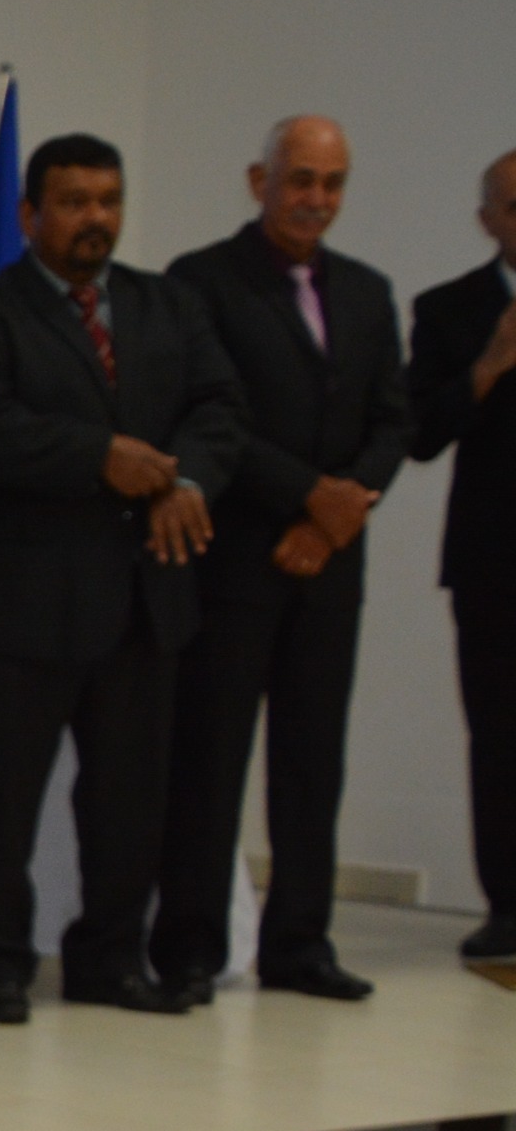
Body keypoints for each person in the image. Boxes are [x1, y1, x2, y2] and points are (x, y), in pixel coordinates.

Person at [0, 132, 244, 1023]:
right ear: (30, 214)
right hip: (19, 608)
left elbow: (222, 409)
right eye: (73, 202)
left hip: (144, 601)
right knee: (1, 806)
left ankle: (109, 957)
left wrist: (186, 481)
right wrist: (100, 455)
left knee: (129, 805)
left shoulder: (168, 305)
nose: (95, 218)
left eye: (108, 200)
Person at [156, 116, 411, 1002]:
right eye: (301, 179)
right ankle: (189, 946)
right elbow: (207, 416)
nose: (317, 198)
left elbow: (393, 422)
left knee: (312, 762)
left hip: (330, 568)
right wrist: (310, 496)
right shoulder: (201, 282)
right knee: (209, 759)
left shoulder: (369, 292)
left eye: (333, 183)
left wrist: (338, 515)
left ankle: (300, 945)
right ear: (258, 179)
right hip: (236, 561)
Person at [406, 148, 516, 967]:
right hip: (495, 561)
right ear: (487, 220)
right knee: (500, 735)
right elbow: (418, 434)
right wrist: (488, 367)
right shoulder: (450, 309)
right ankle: (507, 906)